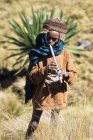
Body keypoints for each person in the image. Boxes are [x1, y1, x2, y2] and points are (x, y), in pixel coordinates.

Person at [25, 18, 77, 140]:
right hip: (41, 93)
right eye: (48, 38)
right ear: (44, 35)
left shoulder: (65, 53)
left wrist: (65, 74)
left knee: (55, 121)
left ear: (60, 39)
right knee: (34, 122)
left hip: (58, 92)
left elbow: (73, 74)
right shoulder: (38, 52)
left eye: (54, 39)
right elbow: (32, 76)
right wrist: (45, 70)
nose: (50, 41)